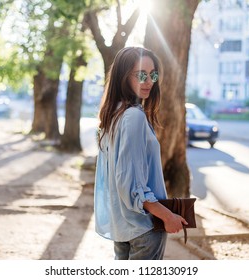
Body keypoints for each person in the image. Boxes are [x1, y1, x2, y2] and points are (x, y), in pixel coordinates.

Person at [94, 46, 187, 260]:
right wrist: (168, 216)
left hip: (123, 229)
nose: (149, 82)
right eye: (141, 75)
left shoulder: (113, 115)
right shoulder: (133, 117)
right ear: (123, 76)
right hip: (143, 230)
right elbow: (131, 185)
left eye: (153, 74)